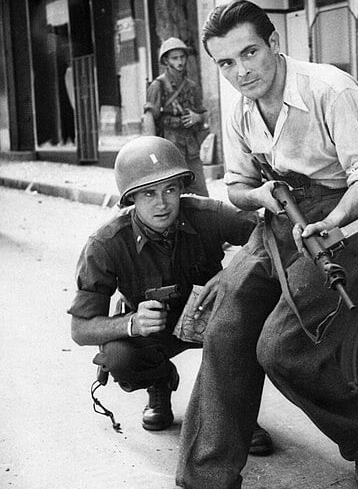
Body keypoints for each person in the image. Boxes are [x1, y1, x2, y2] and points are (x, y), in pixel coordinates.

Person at [173, 0, 358, 489]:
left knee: (281, 348)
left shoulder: (330, 89)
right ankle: (207, 484)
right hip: (277, 218)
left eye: (249, 52)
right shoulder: (239, 108)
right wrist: (260, 196)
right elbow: (237, 186)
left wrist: (332, 223)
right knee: (225, 330)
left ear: (274, 42)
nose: (241, 71)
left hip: (342, 215)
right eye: (225, 62)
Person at [68, 135, 273, 455]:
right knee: (119, 357)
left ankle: (236, 414)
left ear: (181, 188)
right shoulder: (106, 244)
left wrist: (230, 274)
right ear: (131, 198)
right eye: (148, 193)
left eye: (170, 189)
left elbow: (268, 233)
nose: (161, 203)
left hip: (213, 320)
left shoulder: (207, 215)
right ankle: (160, 381)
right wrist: (132, 323)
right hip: (154, 331)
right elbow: (80, 329)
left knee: (248, 315)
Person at [143, 37, 210, 197]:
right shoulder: (157, 86)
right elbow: (149, 116)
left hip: (191, 148)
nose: (180, 61)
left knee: (201, 194)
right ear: (166, 60)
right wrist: (152, 150)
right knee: (172, 194)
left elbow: (205, 115)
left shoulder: (192, 87)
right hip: (169, 149)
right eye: (175, 58)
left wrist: (197, 118)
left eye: (182, 57)